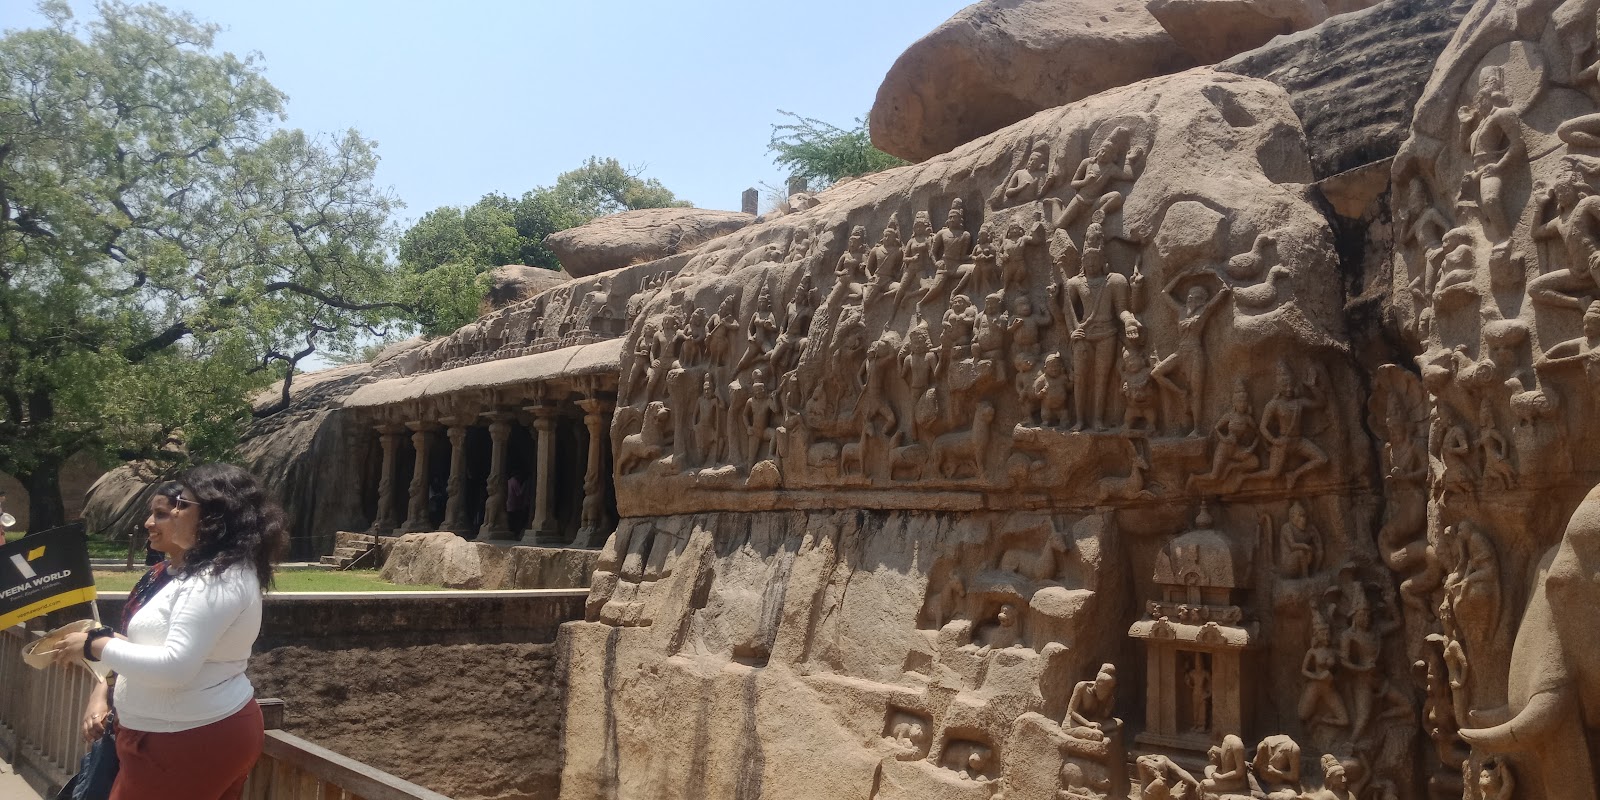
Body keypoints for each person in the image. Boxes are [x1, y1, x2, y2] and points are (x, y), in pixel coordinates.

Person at [53, 463, 286, 800]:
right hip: (178, 736)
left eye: (182, 505)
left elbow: (176, 666)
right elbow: (170, 647)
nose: (172, 512)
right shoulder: (207, 571)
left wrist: (96, 645)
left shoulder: (217, 578)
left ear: (215, 516)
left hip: (188, 740)